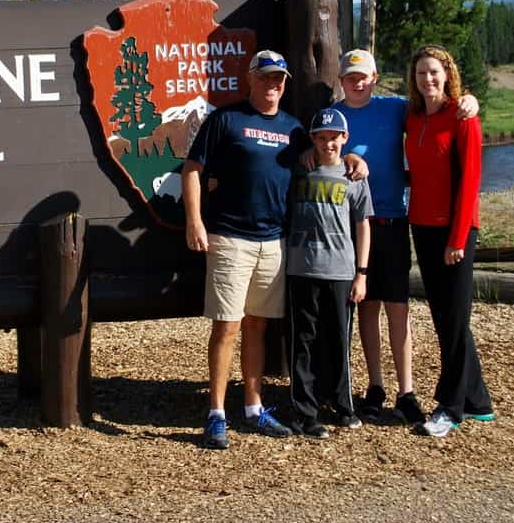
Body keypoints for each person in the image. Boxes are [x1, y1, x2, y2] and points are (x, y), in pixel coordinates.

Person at [332, 48, 477, 426]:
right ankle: (375, 387)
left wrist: (469, 101)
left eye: (363, 76)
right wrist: (347, 159)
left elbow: (442, 104)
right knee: (367, 305)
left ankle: (406, 391)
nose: (357, 82)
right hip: (353, 223)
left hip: (395, 220)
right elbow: (319, 152)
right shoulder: (333, 116)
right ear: (341, 80)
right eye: (350, 76)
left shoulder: (397, 109)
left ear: (375, 77)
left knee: (399, 307)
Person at [183, 50, 310, 450]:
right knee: (227, 325)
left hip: (273, 241)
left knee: (258, 325)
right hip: (230, 238)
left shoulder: (293, 128)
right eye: (267, 77)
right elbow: (192, 170)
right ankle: (216, 413)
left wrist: (354, 159)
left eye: (280, 79)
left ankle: (254, 408)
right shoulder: (226, 119)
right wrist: (195, 221)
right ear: (250, 79)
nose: (274, 85)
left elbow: (323, 158)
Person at [405, 44, 494, 437]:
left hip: (454, 230)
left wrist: (458, 237)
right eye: (422, 73)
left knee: (454, 319)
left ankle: (450, 407)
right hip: (421, 226)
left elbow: (470, 181)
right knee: (445, 317)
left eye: (434, 72)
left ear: (447, 74)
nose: (428, 79)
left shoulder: (462, 117)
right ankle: (479, 402)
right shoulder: (412, 117)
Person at [285, 107, 372, 439]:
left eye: (334, 138)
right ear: (312, 140)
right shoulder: (299, 170)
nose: (327, 144)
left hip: (341, 270)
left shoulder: (354, 177)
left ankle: (342, 403)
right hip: (301, 267)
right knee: (303, 341)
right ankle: (305, 411)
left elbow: (363, 225)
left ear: (344, 139)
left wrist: (361, 273)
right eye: (321, 138)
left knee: (338, 339)